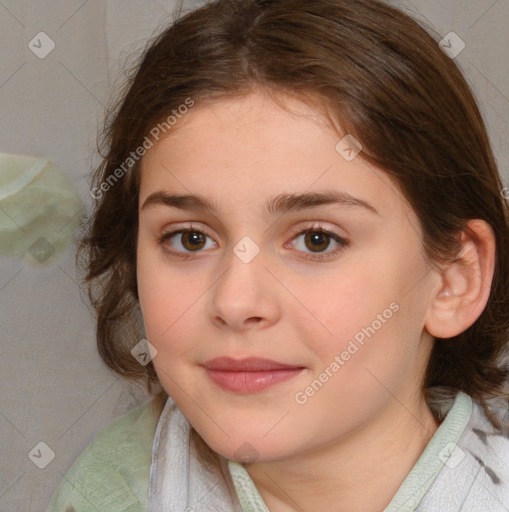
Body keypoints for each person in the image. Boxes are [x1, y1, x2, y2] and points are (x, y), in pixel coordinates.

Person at [47, 0, 509, 510]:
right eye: (190, 238)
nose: (236, 301)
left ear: (452, 280)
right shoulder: (110, 490)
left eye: (317, 240)